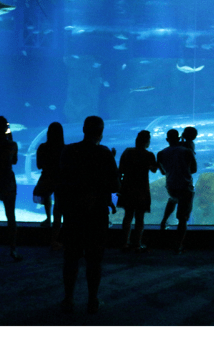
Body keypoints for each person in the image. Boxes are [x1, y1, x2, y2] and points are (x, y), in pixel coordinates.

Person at [58, 116, 120, 314]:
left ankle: (68, 299)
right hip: (96, 214)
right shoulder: (104, 153)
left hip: (73, 212)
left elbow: (62, 180)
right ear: (101, 132)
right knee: (94, 259)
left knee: (71, 257)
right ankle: (92, 300)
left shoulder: (69, 150)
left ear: (83, 129)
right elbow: (115, 185)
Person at [158, 129, 197, 254]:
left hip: (171, 185)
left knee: (173, 199)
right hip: (185, 185)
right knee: (182, 218)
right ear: (179, 138)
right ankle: (178, 245)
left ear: (167, 139)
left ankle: (163, 222)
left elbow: (163, 171)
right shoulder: (187, 151)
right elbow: (194, 169)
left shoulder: (161, 153)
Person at [118, 130, 157, 252]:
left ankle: (125, 243)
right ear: (147, 141)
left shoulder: (128, 152)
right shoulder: (149, 155)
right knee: (140, 217)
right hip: (141, 189)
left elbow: (121, 169)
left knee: (128, 216)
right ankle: (137, 244)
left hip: (127, 188)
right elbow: (154, 170)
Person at [0, 116, 23, 262]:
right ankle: (13, 249)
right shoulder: (12, 145)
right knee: (11, 216)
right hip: (7, 181)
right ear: (6, 129)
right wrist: (10, 136)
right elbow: (15, 161)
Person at [35, 122, 65, 250]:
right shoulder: (64, 148)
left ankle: (48, 218)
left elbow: (38, 165)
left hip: (46, 178)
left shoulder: (42, 147)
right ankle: (54, 240)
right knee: (58, 210)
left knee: (46, 197)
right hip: (61, 180)